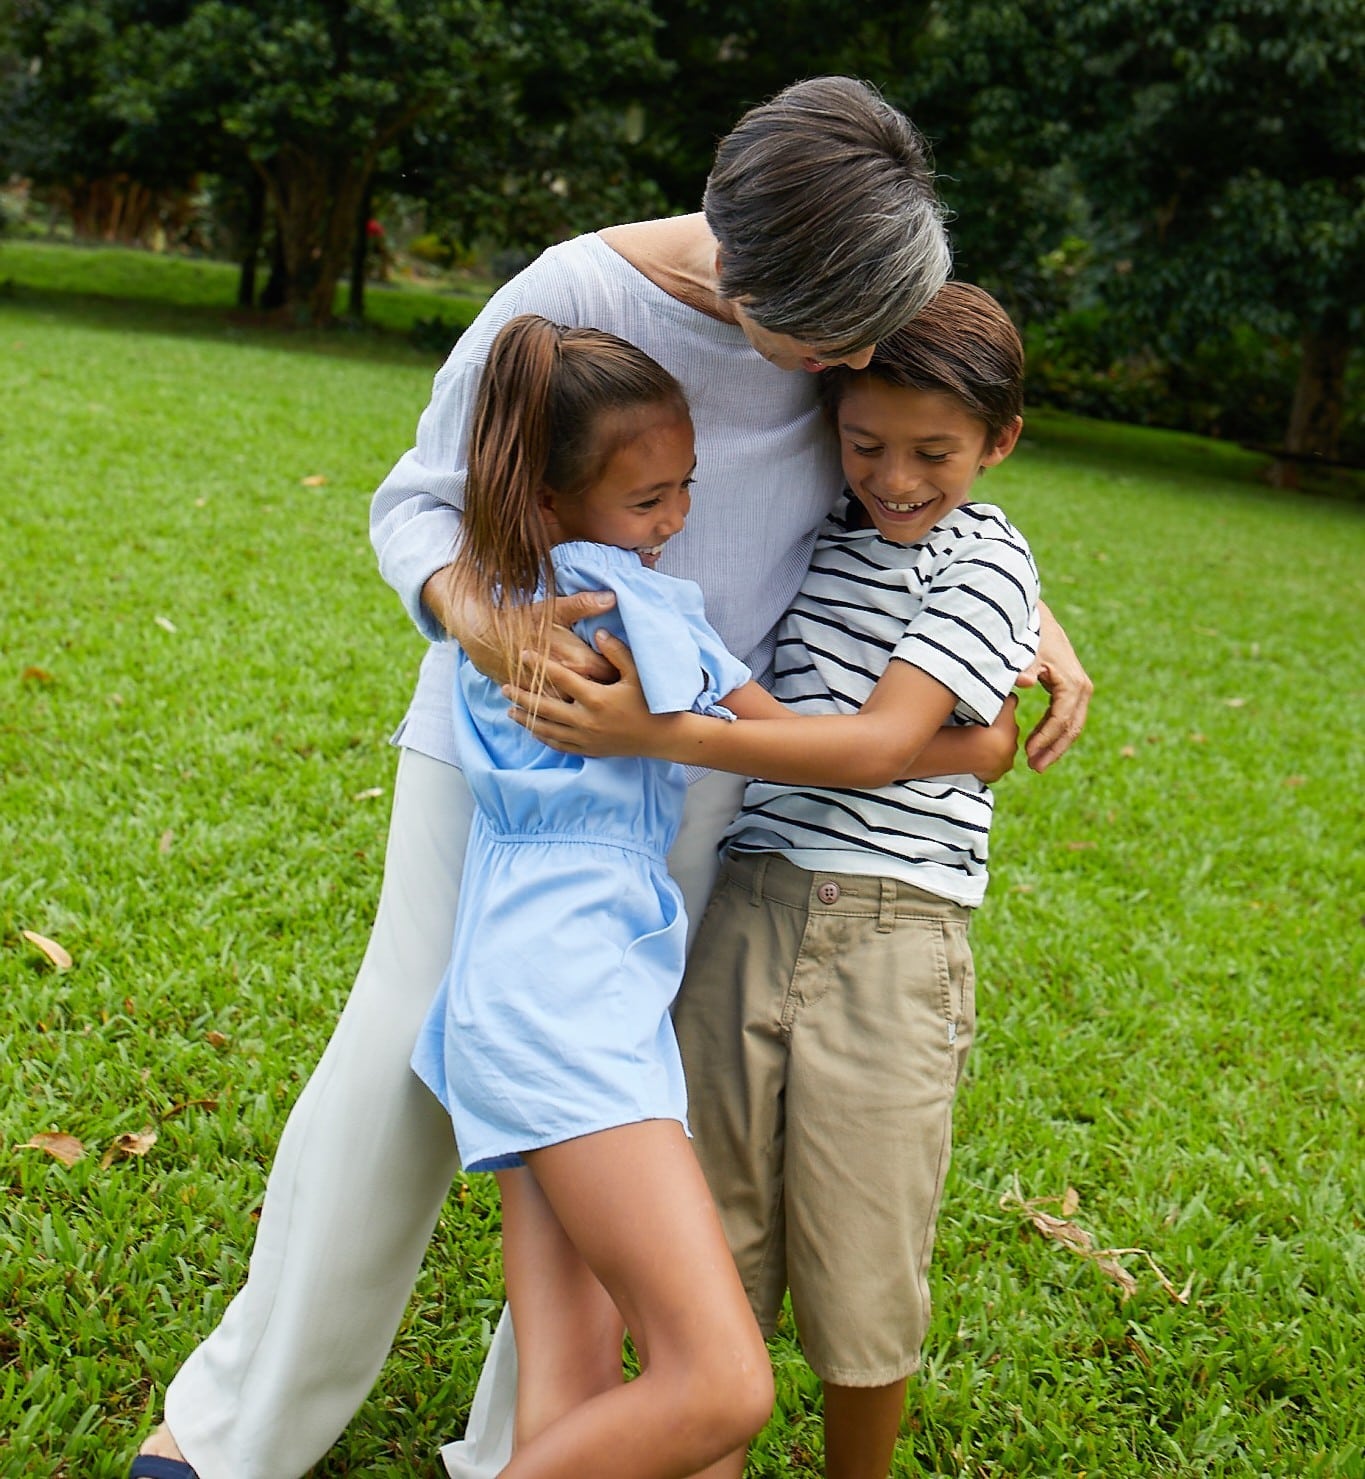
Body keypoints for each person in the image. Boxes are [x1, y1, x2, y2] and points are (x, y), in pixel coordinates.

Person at [131, 76, 1090, 1479]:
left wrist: (1033, 613)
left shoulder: (842, 311)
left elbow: (907, 476)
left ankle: (549, 1441)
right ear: (750, 262)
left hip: (704, 760)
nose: (848, 359)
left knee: (610, 1102)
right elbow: (419, 496)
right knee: (403, 1059)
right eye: (830, 334)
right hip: (509, 742)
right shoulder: (577, 293)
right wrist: (488, 620)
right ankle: (233, 1433)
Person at [510, 281, 1039, 1479]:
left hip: (893, 935)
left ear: (1000, 444)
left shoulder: (991, 558)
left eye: (933, 454)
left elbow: (878, 746)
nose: (894, 479)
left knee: (863, 1256)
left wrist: (662, 734)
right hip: (747, 904)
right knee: (716, 1238)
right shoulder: (827, 522)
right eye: (865, 444)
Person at [406, 312, 776, 1478]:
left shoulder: (496, 613)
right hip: (574, 995)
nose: (675, 522)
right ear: (561, 502)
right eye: (650, 499)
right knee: (719, 1389)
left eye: (686, 489)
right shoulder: (624, 603)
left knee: (568, 1386)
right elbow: (789, 741)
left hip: (514, 990)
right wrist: (957, 722)